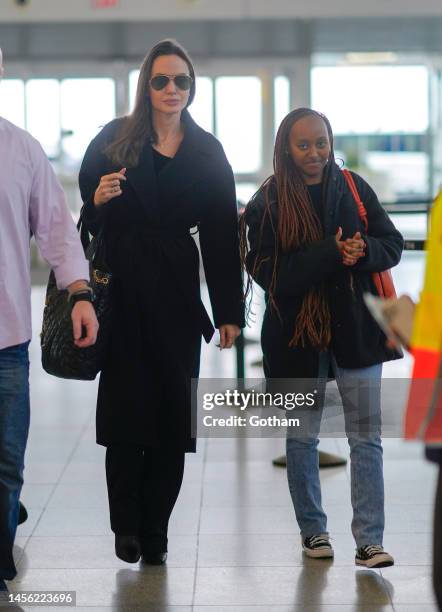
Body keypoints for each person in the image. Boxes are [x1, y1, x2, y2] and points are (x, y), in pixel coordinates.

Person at [79, 39, 244, 565]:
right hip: (123, 290)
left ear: (191, 88)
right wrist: (98, 203)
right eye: (161, 81)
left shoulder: (207, 150)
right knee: (127, 410)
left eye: (181, 82)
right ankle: (125, 523)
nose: (172, 90)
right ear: (146, 86)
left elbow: (220, 236)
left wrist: (228, 313)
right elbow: (85, 218)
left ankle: (157, 530)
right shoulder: (113, 140)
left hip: (175, 289)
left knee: (174, 417)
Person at [241, 107, 403, 568]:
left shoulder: (352, 188)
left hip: (355, 330)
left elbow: (390, 243)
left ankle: (369, 540)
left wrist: (362, 250)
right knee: (301, 439)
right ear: (285, 149)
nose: (314, 153)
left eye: (322, 143)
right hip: (296, 338)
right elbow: (273, 275)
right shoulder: (267, 203)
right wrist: (330, 253)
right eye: (303, 145)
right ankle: (313, 532)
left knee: (366, 437)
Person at [0, 48, 99, 593]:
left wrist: (80, 292)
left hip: (6, 339)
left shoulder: (21, 150)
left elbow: (57, 232)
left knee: (7, 462)